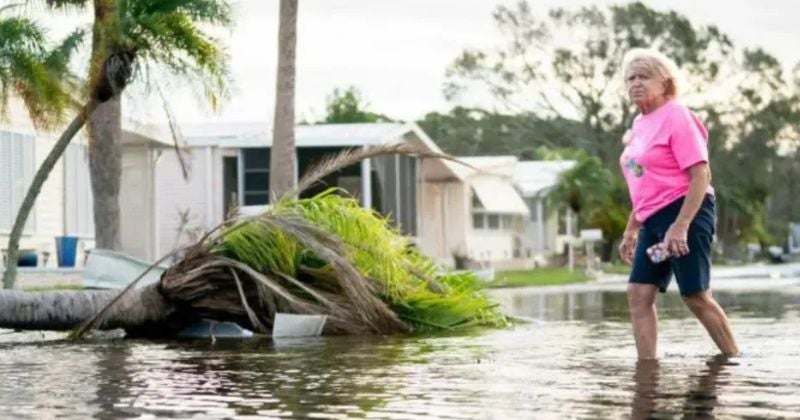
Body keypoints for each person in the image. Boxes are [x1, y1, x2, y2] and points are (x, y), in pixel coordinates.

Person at [617, 48, 739, 360]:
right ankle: (647, 370)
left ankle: (734, 360)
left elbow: (701, 175)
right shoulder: (639, 125)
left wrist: (680, 225)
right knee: (639, 293)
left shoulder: (678, 116)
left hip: (686, 209)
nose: (636, 83)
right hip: (653, 217)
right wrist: (631, 229)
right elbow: (645, 183)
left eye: (644, 76)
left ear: (665, 83)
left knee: (695, 295)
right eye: (631, 78)